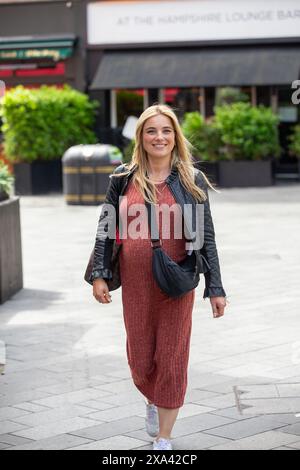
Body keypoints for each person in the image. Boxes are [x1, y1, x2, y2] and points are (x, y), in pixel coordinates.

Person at [90, 104, 227, 451]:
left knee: (172, 356)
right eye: (151, 131)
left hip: (176, 283)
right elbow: (106, 229)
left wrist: (215, 288)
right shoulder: (122, 178)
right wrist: (100, 274)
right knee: (140, 359)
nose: (159, 137)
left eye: (166, 130)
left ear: (175, 136)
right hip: (135, 285)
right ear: (141, 137)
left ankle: (164, 438)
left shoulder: (190, 180)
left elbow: (205, 236)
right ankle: (151, 396)